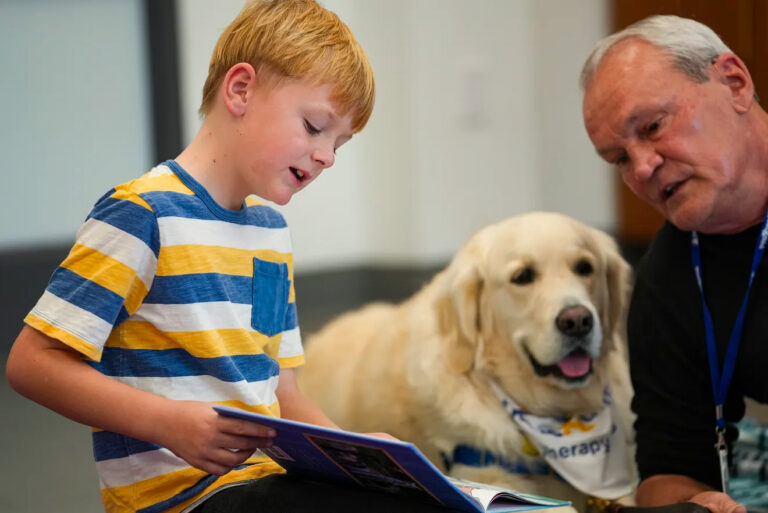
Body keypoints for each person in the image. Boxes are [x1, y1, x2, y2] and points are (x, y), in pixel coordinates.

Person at [5, 2, 448, 512]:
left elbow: (283, 392)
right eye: (314, 126)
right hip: (178, 499)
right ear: (240, 90)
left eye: (340, 144)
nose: (327, 155)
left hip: (263, 479)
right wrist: (166, 423)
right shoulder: (142, 213)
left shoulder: (271, 232)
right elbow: (32, 362)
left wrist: (356, 457)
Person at [580, 14, 768, 513]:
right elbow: (669, 465)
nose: (642, 168)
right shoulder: (670, 275)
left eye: (654, 126)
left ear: (735, 82)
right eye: (618, 158)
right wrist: (693, 504)